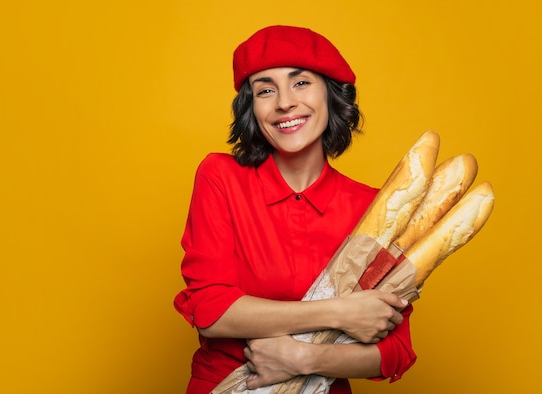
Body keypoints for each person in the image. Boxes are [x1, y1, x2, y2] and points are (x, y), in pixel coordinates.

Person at [174, 25, 417, 394]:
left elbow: (395, 350)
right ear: (251, 109)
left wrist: (302, 358)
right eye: (265, 90)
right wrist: (340, 313)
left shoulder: (374, 208)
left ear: (332, 96)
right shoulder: (220, 177)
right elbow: (210, 310)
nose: (284, 102)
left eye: (300, 83)